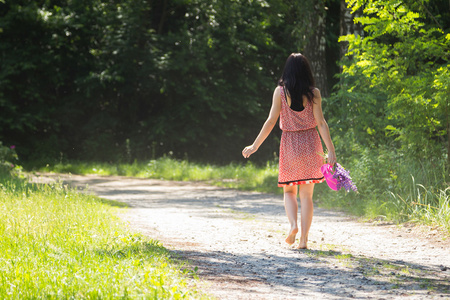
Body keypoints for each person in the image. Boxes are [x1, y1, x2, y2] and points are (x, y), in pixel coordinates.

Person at [242, 53, 336, 249]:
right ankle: (303, 241)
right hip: (311, 144)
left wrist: (254, 145)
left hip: (290, 145)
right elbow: (321, 122)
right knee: (307, 196)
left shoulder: (280, 92)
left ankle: (293, 225)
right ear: (306, 71)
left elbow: (270, 122)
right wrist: (331, 150)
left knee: (289, 191)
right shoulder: (314, 93)